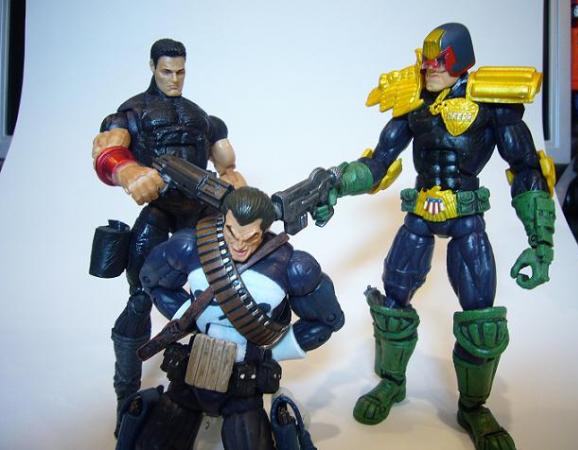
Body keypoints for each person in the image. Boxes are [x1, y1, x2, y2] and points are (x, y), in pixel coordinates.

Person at [312, 23, 555, 450]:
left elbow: (526, 168)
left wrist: (541, 242)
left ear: (460, 61)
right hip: (420, 216)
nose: (429, 69)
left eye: (438, 62)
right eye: (425, 62)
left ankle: (474, 407)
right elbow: (379, 162)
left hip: (466, 219)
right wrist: (336, 183)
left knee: (482, 321)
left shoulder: (493, 104)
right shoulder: (414, 102)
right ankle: (392, 381)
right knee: (393, 303)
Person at [91, 38, 246, 418]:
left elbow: (228, 167)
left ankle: (213, 395)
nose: (174, 79)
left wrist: (236, 187)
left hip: (200, 214)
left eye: (180, 71)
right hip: (159, 214)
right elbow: (107, 152)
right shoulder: (132, 113)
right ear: (152, 67)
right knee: (139, 299)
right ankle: (126, 400)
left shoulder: (202, 118)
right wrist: (128, 170)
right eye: (166, 71)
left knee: (220, 298)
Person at [123, 186, 344, 450]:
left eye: (250, 237)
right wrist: (189, 318)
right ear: (223, 220)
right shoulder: (192, 247)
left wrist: (273, 353)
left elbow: (326, 321)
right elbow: (153, 281)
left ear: (264, 230)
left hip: (243, 378)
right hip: (193, 367)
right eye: (231, 232)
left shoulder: (291, 266)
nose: (238, 245)